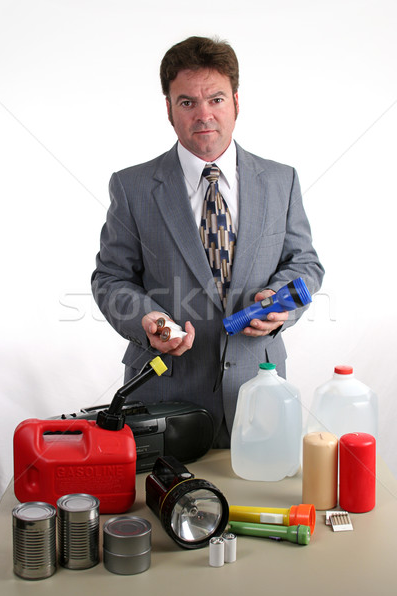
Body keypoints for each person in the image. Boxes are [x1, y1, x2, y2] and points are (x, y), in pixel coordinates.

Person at [91, 36, 324, 448]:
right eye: (187, 103)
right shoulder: (132, 187)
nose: (203, 115)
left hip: (259, 392)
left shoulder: (280, 180)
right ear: (168, 109)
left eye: (215, 99)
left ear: (236, 101)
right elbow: (111, 279)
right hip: (164, 397)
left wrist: (281, 302)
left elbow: (305, 264)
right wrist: (148, 320)